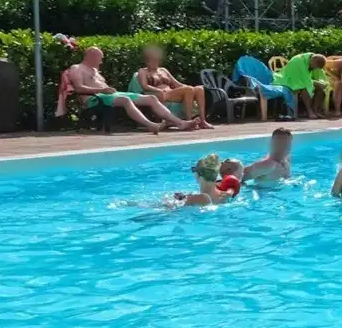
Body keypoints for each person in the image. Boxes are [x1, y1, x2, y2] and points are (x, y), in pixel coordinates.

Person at [61, 47, 194, 133]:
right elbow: (79, 88)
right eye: (100, 59)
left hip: (109, 95)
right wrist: (102, 90)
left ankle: (180, 123)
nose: (101, 62)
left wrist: (107, 90)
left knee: (151, 98)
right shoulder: (77, 68)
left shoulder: (95, 71)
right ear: (91, 56)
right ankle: (150, 125)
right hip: (94, 99)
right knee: (125, 100)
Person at [136, 45, 212, 128]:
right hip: (160, 94)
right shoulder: (143, 71)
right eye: (152, 60)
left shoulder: (163, 70)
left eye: (156, 59)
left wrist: (191, 87)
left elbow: (176, 84)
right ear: (147, 60)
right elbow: (144, 86)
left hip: (171, 93)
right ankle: (188, 121)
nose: (155, 62)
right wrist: (158, 90)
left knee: (199, 89)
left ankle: (203, 121)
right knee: (188, 89)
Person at [173, 154, 243, 207]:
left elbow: (169, 212)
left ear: (198, 174)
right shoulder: (224, 195)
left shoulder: (201, 198)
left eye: (193, 170)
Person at [273, 52, 328, 118]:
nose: (315, 69)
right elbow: (298, 80)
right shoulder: (297, 61)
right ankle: (309, 111)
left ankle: (315, 111)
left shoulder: (315, 60)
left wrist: (321, 83)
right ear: (312, 61)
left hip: (304, 80)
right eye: (315, 67)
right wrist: (316, 83)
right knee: (303, 87)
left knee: (320, 89)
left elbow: (318, 77)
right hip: (288, 79)